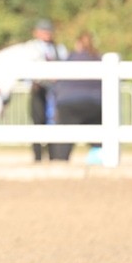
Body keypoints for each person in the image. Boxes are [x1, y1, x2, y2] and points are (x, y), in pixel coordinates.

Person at [53, 30, 103, 164]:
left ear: (78, 43)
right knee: (99, 136)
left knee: (64, 139)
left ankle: (60, 161)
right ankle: (100, 159)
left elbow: (57, 81)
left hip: (68, 103)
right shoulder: (98, 58)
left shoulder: (70, 58)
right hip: (94, 104)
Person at [26, 18, 68, 161]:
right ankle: (37, 156)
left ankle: (53, 155)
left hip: (54, 91)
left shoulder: (59, 49)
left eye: (49, 31)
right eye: (44, 31)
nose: (47, 34)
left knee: (53, 122)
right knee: (38, 122)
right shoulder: (31, 48)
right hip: (38, 89)